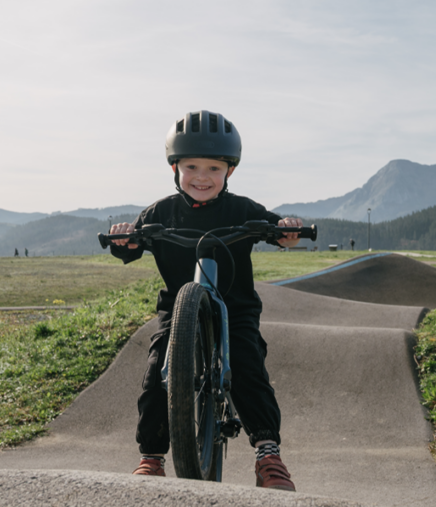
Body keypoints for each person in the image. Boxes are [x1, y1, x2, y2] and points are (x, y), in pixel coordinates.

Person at [108, 110, 299, 491]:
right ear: (174, 167)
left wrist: (286, 231)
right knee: (157, 371)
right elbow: (130, 247)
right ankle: (152, 457)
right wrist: (124, 239)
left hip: (236, 307)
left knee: (246, 364)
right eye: (191, 166)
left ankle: (268, 454)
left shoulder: (242, 209)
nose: (201, 177)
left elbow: (278, 230)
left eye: (214, 168)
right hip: (177, 312)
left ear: (229, 172)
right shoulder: (161, 212)